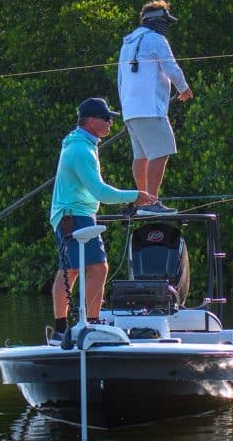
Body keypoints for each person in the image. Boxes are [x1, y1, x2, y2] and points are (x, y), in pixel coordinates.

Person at [49, 97, 154, 336]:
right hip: (72, 215)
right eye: (106, 119)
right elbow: (100, 192)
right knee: (97, 267)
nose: (110, 123)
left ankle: (62, 328)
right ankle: (91, 322)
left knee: (71, 270)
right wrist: (136, 195)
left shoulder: (81, 144)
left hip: (74, 214)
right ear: (92, 121)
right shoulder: (79, 149)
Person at [117, 0, 194, 215]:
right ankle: (151, 202)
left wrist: (125, 110)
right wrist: (183, 88)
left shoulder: (127, 43)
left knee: (141, 155)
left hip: (131, 109)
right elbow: (170, 66)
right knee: (162, 150)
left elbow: (120, 78)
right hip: (150, 108)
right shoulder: (157, 39)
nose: (167, 25)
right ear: (158, 20)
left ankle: (142, 201)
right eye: (165, 20)